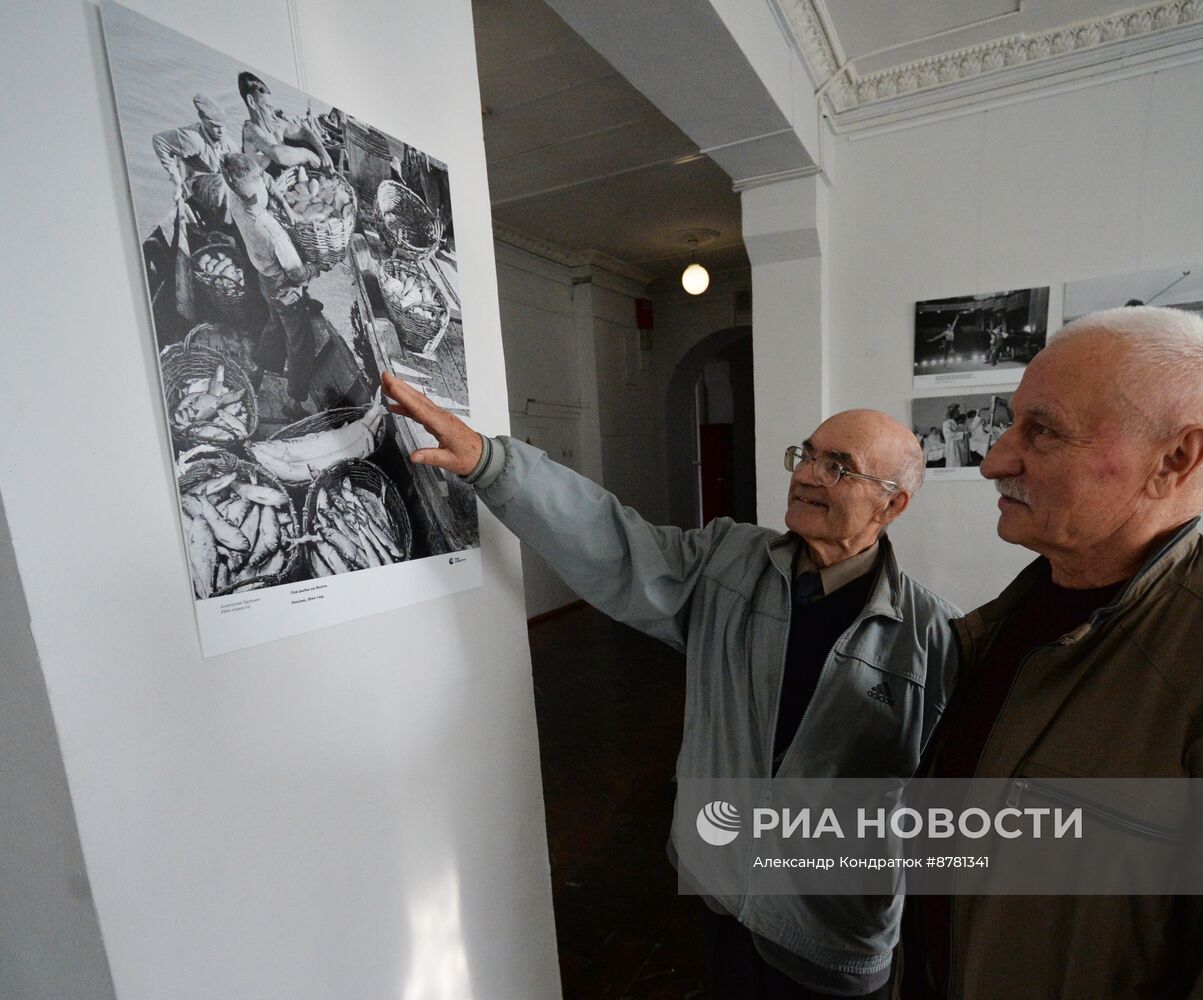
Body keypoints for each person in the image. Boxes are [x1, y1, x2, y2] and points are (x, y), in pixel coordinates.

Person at [380, 375, 961, 999]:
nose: (807, 474)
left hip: (830, 933)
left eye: (838, 466)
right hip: (720, 892)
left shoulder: (936, 638)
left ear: (892, 504)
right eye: (807, 454)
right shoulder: (728, 560)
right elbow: (613, 543)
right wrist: (491, 465)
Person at [902, 306, 1203, 999]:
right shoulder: (1002, 630)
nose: (996, 459)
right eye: (1010, 422)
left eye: (1043, 430)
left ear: (1174, 458)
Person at [221, 153, 315, 420]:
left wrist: (284, 203)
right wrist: (317, 269)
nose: (266, 181)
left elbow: (265, 179)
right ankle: (294, 403)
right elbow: (297, 274)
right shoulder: (271, 231)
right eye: (261, 184)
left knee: (274, 325)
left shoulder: (235, 199)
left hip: (265, 281)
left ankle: (257, 373)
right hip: (285, 287)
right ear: (254, 196)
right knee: (301, 342)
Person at [152, 93, 234, 227]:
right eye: (215, 126)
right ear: (202, 118)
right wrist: (176, 179)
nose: (221, 132)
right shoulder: (193, 139)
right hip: (195, 187)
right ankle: (221, 227)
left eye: (223, 126)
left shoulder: (227, 142)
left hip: (215, 187)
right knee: (223, 184)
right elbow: (159, 141)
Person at [238, 71, 333, 177]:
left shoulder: (275, 123)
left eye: (272, 107)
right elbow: (277, 154)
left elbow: (302, 131)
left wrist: (322, 152)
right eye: (267, 107)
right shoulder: (250, 131)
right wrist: (309, 155)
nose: (273, 115)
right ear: (251, 102)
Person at [940, 404, 970, 469]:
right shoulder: (946, 423)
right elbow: (949, 435)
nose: (959, 412)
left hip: (958, 446)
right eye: (957, 411)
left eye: (958, 410)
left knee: (960, 464)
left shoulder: (956, 423)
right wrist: (963, 434)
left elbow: (961, 432)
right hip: (952, 447)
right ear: (952, 413)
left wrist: (965, 432)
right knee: (954, 465)